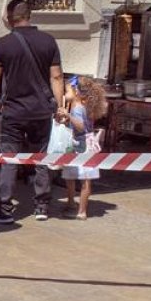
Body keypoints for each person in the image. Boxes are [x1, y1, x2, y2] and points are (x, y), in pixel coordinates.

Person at [0, 0, 66, 223]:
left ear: (9, 19)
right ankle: (41, 206)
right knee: (40, 157)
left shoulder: (3, 44)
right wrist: (60, 107)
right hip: (41, 111)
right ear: (29, 15)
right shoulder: (49, 41)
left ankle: (5, 208)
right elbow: (57, 76)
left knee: (9, 158)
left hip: (14, 112)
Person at [60, 76, 108, 220]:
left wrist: (68, 117)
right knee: (77, 177)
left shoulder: (77, 109)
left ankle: (80, 210)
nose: (64, 94)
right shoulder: (84, 106)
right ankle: (73, 204)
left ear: (76, 91)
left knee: (80, 178)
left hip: (81, 147)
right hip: (85, 145)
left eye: (66, 90)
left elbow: (80, 126)